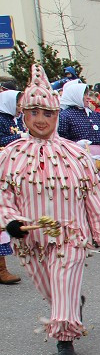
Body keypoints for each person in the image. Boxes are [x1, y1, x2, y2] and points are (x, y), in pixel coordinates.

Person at [0, 64, 100, 355]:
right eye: (34, 113)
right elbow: (4, 194)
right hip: (29, 241)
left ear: (57, 115)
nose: (40, 120)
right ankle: (71, 306)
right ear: (23, 115)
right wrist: (11, 221)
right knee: (52, 291)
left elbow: (93, 195)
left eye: (47, 114)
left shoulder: (76, 154)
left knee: (63, 285)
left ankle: (65, 338)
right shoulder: (9, 155)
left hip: (70, 235)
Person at [56, 81, 100, 199]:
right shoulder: (65, 115)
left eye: (88, 94)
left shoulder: (94, 115)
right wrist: (75, 146)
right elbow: (61, 138)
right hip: (78, 156)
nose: (88, 98)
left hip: (99, 157)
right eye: (85, 94)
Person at [0, 89, 21, 282]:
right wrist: (20, 137)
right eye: (18, 102)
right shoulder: (1, 119)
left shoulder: (16, 119)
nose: (20, 106)